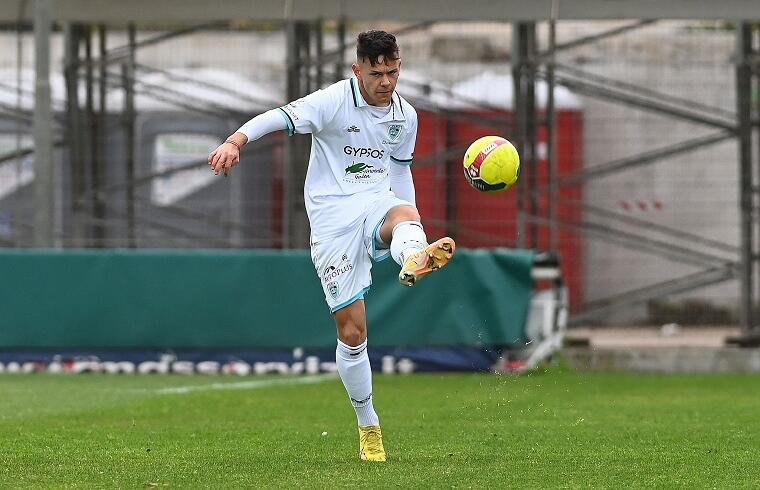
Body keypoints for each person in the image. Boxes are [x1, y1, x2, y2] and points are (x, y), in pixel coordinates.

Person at [208, 30, 455, 462]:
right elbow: (278, 117)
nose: (386, 82)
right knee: (352, 331)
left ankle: (414, 253)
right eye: (376, 73)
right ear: (357, 70)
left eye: (393, 72)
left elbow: (400, 173)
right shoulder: (331, 102)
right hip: (331, 220)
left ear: (400, 67)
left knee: (403, 218)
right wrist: (235, 141)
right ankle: (368, 424)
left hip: (378, 202)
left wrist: (409, 216)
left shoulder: (406, 116)